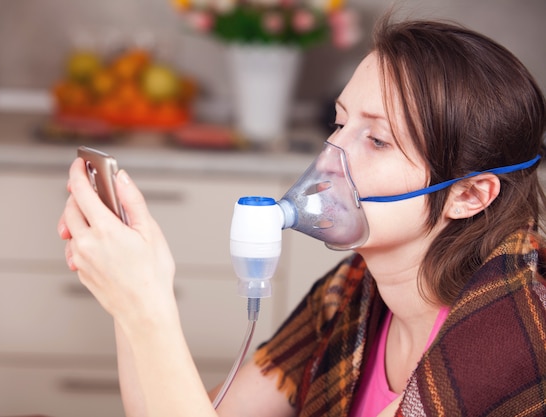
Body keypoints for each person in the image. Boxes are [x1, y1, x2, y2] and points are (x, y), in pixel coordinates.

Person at [58, 13, 546, 417]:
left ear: (468, 195)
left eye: (376, 140)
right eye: (339, 122)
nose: (332, 155)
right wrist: (130, 301)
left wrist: (148, 310)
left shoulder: (512, 347)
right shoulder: (353, 294)